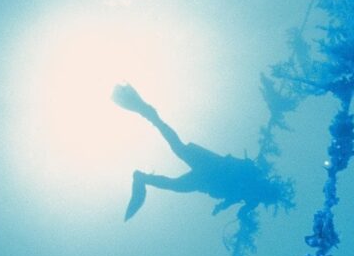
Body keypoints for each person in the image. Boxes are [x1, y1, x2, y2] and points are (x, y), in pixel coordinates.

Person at [112, 84, 288, 220]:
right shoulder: (254, 182)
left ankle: (143, 173)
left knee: (177, 159)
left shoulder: (253, 196)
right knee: (177, 157)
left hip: (208, 175)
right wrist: (229, 208)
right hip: (210, 171)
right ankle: (151, 122)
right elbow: (239, 203)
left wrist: (223, 207)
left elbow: (237, 205)